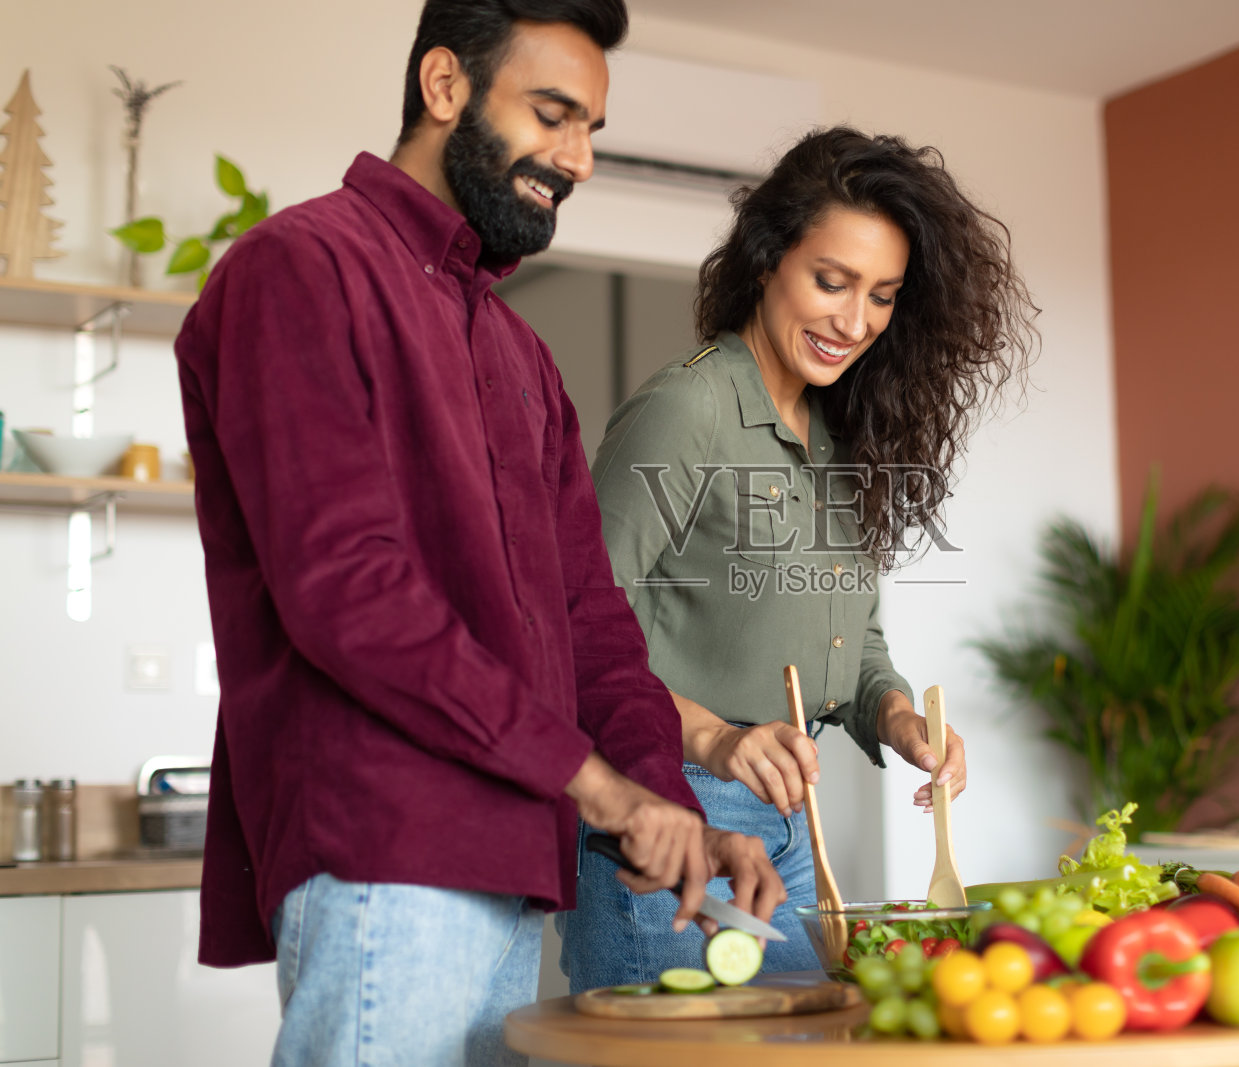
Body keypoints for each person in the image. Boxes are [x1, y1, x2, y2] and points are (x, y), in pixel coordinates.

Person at [173, 1, 783, 1063]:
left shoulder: (518, 350)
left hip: (518, 863)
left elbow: (590, 625)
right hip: (386, 851)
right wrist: (597, 783)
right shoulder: (298, 269)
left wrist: (675, 811)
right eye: (553, 114)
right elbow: (346, 591)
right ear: (445, 87)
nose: (579, 158)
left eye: (591, 128)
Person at [558, 126, 1039, 990]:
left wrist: (895, 716)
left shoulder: (842, 436)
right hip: (679, 824)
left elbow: (857, 643)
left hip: (795, 833)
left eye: (883, 296)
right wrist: (715, 737)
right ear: (769, 257)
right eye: (832, 281)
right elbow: (573, 633)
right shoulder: (689, 410)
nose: (854, 321)